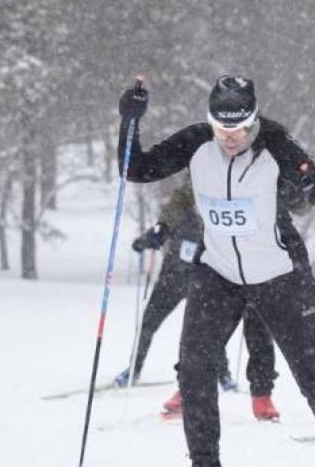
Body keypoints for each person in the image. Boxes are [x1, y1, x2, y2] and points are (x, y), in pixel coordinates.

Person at [117, 75, 315, 467]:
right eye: (222, 128)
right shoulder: (196, 142)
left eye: (241, 128)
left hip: (280, 275)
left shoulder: (275, 145)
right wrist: (130, 121)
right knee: (194, 368)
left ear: (254, 121)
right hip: (219, 273)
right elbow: (134, 169)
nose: (231, 138)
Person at [117, 176, 282, 421]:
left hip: (207, 282)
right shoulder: (181, 215)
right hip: (171, 283)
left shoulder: (221, 224)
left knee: (214, 330)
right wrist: (144, 242)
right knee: (152, 324)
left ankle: (227, 378)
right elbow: (158, 229)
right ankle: (135, 369)